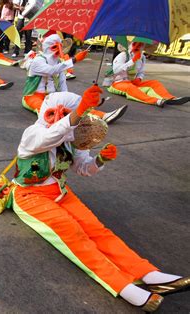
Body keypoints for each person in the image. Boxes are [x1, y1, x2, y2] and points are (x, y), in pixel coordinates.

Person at [11, 86, 190, 312]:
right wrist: (77, 113)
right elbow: (50, 136)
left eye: (68, 115)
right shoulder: (33, 133)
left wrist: (100, 161)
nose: (60, 118)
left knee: (97, 230)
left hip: (61, 193)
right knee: (74, 235)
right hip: (30, 197)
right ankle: (124, 286)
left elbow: (83, 168)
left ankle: (149, 274)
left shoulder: (72, 140)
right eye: (56, 113)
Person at [22, 34, 127, 124]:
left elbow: (62, 83)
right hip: (34, 96)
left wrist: (67, 98)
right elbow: (51, 70)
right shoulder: (38, 61)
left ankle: (103, 116)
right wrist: (75, 59)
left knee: (74, 102)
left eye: (60, 47)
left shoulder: (59, 62)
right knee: (51, 112)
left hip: (52, 95)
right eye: (54, 48)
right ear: (47, 49)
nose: (58, 51)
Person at [107, 42, 190, 107]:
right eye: (135, 43)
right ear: (130, 45)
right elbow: (116, 70)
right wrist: (131, 61)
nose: (138, 46)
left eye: (141, 45)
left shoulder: (142, 57)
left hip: (133, 82)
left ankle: (170, 99)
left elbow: (141, 72)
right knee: (130, 88)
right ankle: (154, 101)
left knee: (154, 83)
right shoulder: (123, 55)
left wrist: (139, 78)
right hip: (118, 83)